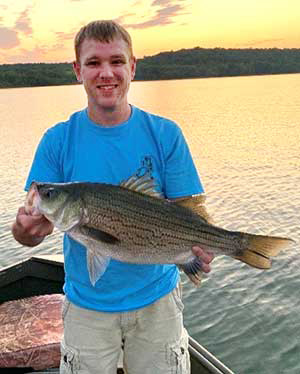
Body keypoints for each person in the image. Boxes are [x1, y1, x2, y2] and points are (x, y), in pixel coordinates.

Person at [12, 20, 214, 374]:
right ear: (78, 71)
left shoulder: (166, 134)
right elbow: (30, 233)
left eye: (117, 61)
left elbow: (188, 215)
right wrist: (24, 229)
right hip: (86, 308)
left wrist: (199, 252)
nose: (106, 73)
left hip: (158, 305)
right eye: (93, 63)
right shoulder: (57, 140)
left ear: (132, 67)